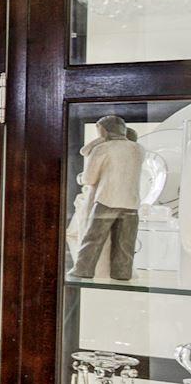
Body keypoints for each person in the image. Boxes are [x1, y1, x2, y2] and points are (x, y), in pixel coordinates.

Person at [74, 115, 145, 281]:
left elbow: (89, 179)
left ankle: (83, 270)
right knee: (125, 243)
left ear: (103, 130)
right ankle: (122, 272)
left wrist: (80, 177)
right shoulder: (138, 149)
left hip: (107, 199)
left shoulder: (103, 149)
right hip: (131, 202)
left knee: (93, 239)